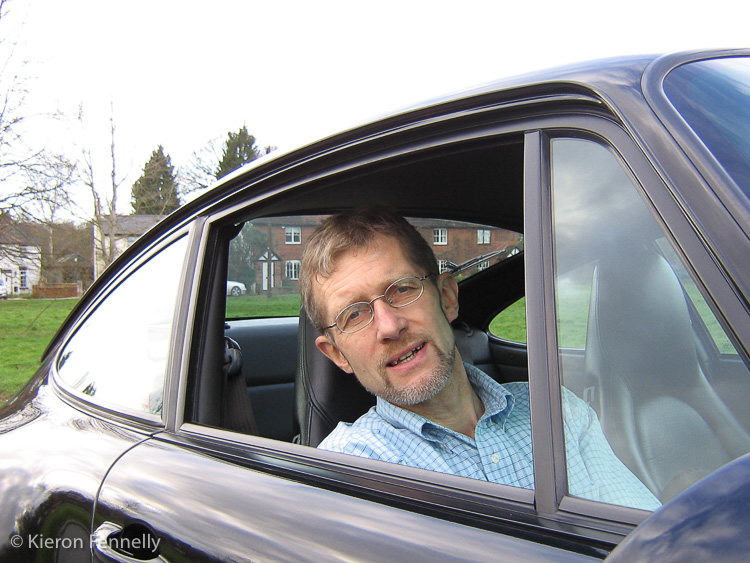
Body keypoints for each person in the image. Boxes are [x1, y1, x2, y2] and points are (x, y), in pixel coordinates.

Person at [299, 206, 660, 511]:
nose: (389, 326)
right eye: (354, 315)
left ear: (447, 297)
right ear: (336, 354)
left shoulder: (557, 412)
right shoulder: (346, 474)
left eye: (402, 289)